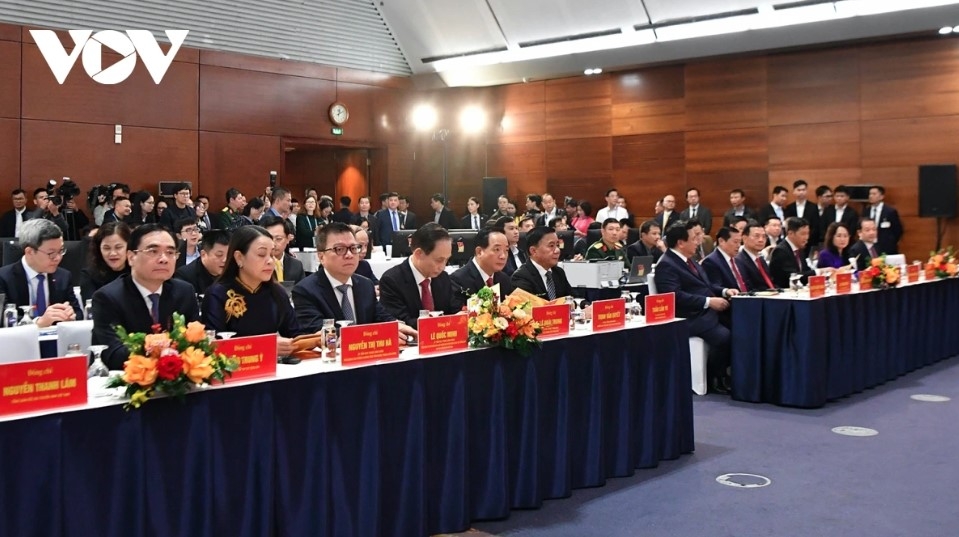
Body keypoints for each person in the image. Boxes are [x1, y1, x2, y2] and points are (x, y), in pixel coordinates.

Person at [91, 224, 200, 370]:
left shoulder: (184, 292)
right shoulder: (107, 298)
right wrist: (161, 349)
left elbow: (196, 344)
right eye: (153, 251)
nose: (163, 259)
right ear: (131, 257)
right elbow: (114, 355)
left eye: (170, 252)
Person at [653, 219, 736, 394]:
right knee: (725, 337)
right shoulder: (667, 265)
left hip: (704, 312)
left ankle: (729, 373)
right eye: (694, 237)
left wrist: (724, 291)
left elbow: (706, 286)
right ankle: (716, 376)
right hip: (688, 317)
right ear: (681, 243)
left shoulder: (691, 261)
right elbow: (674, 296)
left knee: (740, 325)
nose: (698, 241)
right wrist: (707, 302)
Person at [292, 222, 416, 339]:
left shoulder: (365, 285)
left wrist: (395, 325)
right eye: (339, 249)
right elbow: (319, 331)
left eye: (353, 248)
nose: (349, 255)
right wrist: (370, 335)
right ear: (321, 256)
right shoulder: (305, 290)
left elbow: (382, 317)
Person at [202, 226, 303, 357]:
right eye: (261, 254)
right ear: (239, 257)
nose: (270, 261)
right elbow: (213, 347)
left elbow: (295, 335)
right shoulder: (218, 294)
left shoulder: (277, 292)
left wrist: (313, 340)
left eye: (272, 255)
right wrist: (265, 346)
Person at [0, 218, 81, 327]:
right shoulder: (4, 278)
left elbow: (78, 314)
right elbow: (2, 319)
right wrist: (38, 323)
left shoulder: (63, 276)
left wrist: (70, 315)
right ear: (29, 252)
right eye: (51, 253)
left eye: (61, 251)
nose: (58, 258)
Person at [379, 223, 459, 327]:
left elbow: (453, 311)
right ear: (419, 254)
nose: (443, 267)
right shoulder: (392, 280)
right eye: (439, 260)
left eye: (447, 260)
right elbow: (401, 323)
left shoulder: (443, 277)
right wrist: (439, 323)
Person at [450, 228, 514, 312]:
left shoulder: (504, 279)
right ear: (479, 252)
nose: (503, 256)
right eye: (497, 249)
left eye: (506, 250)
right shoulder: (458, 280)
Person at [768, 217, 835, 288]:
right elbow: (793, 276)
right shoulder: (781, 250)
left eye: (807, 234)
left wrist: (823, 273)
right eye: (803, 234)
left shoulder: (799, 249)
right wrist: (818, 272)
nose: (806, 237)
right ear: (790, 233)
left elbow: (805, 271)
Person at [511, 226, 572, 300]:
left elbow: (570, 297)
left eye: (557, 245)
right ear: (533, 251)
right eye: (551, 246)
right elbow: (528, 308)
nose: (557, 250)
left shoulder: (559, 272)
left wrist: (583, 304)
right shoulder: (521, 277)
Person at [79, 221, 131, 303]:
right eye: (106, 248)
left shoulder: (139, 271)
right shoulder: (89, 275)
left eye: (118, 247)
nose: (113, 253)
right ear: (99, 249)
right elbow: (92, 307)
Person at [174, 229, 230, 296]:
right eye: (219, 255)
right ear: (203, 254)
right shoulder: (185, 276)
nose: (225, 260)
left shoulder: (232, 271)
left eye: (229, 255)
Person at [258, 215, 304, 284]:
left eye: (278, 239)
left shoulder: (296, 265)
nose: (273, 244)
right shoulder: (257, 264)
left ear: (288, 238)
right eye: (269, 238)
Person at [702, 227, 748, 293]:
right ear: (721, 241)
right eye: (735, 242)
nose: (738, 245)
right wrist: (726, 291)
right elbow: (713, 286)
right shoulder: (711, 261)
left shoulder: (739, 260)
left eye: (740, 242)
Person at [736, 221, 775, 292]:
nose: (761, 240)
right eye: (757, 236)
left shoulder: (761, 259)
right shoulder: (739, 261)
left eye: (764, 236)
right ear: (744, 238)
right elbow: (748, 288)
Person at [785, 179, 821, 253]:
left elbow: (816, 226)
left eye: (803, 190)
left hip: (809, 242)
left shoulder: (813, 207)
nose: (801, 192)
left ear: (806, 191)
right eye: (799, 190)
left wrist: (806, 238)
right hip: (793, 242)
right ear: (794, 191)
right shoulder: (789, 207)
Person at [867, 186, 903, 255]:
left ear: (881, 196)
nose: (871, 196)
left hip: (887, 247)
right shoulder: (866, 211)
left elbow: (898, 230)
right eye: (870, 194)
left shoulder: (890, 211)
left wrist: (891, 242)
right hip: (871, 246)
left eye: (874, 194)